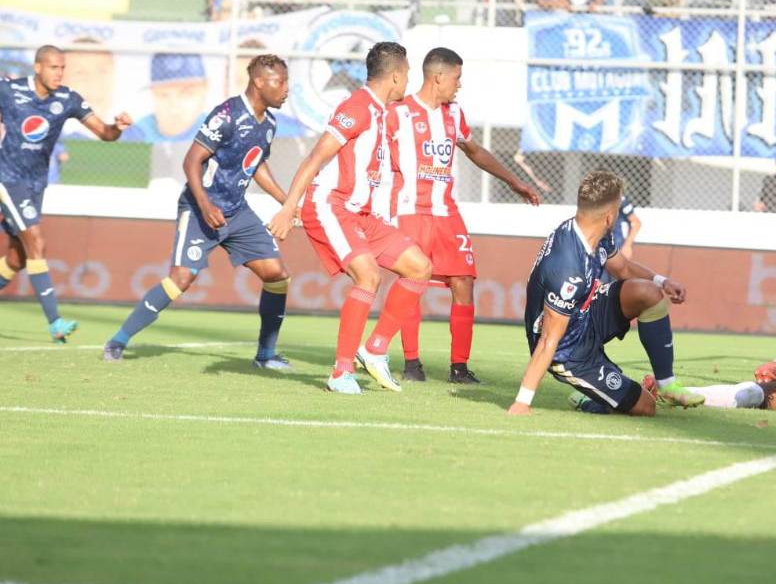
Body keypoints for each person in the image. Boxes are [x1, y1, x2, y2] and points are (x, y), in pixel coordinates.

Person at [356, 48, 539, 383]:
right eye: (456, 78)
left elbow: (474, 150)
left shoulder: (454, 114)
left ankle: (459, 367)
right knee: (414, 279)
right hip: (409, 211)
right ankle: (412, 363)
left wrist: (514, 181)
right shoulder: (397, 113)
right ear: (438, 76)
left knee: (464, 281)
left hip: (446, 213)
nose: (459, 85)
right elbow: (366, 148)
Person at [103, 56, 295, 367]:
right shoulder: (227, 114)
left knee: (277, 275)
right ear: (259, 82)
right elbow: (191, 161)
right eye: (280, 82)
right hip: (199, 206)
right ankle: (118, 341)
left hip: (237, 211)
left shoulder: (269, 124)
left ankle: (265, 355)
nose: (286, 89)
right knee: (181, 278)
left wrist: (286, 202)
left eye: (287, 82)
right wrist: (205, 205)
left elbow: (255, 163)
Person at [267, 42, 433, 395]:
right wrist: (288, 206)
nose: (408, 83)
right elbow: (315, 157)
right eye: (407, 75)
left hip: (361, 214)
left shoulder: (384, 112)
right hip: (331, 205)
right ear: (395, 76)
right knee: (368, 275)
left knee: (419, 267)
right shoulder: (357, 107)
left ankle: (374, 350)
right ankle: (341, 371)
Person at [508, 170, 703, 416]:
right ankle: (588, 395)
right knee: (646, 407)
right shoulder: (568, 269)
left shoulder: (594, 231)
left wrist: (661, 280)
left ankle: (667, 385)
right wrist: (522, 402)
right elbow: (549, 340)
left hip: (585, 314)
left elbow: (622, 268)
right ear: (611, 217)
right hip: (569, 351)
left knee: (649, 293)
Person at [0, 46, 133, 342]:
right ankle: (55, 322)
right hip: (7, 179)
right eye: (52, 67)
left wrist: (118, 127)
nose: (58, 73)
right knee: (36, 241)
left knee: (17, 257)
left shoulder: (68, 99)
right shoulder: (9, 90)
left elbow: (105, 133)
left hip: (36, 184)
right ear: (37, 68)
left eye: (62, 67)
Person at [123, 53, 211, 142]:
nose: (174, 108)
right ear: (153, 94)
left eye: (187, 94)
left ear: (204, 92)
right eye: (163, 95)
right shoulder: (135, 136)